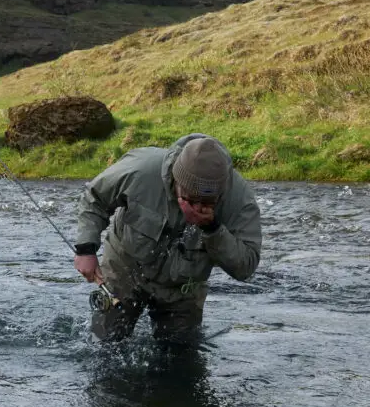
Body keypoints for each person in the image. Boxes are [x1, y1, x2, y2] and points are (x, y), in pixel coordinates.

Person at [74, 134, 262, 342]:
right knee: (105, 344)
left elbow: (246, 266)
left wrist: (212, 228)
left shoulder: (239, 199)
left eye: (207, 202)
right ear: (176, 179)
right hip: (124, 269)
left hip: (183, 290)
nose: (196, 208)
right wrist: (86, 249)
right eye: (190, 198)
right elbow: (94, 198)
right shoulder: (142, 169)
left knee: (181, 359)